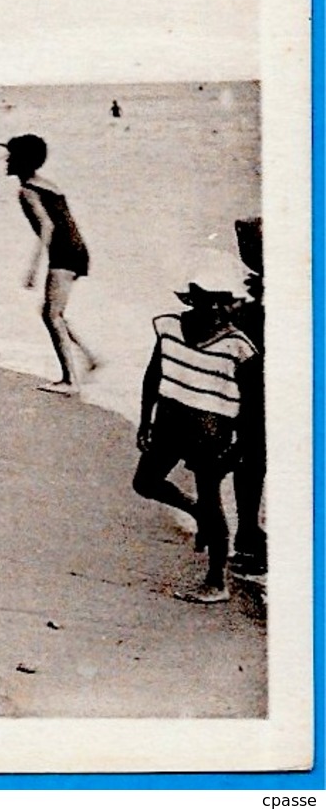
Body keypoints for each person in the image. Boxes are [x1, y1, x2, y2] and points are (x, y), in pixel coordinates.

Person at [132, 250, 257, 603]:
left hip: (211, 433)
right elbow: (153, 375)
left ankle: (217, 580)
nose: (215, 310)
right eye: (207, 300)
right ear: (191, 298)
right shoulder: (170, 328)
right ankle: (197, 512)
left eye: (223, 302)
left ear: (232, 303)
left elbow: (251, 410)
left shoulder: (239, 347)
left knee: (212, 499)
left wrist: (237, 451)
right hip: (169, 422)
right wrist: (145, 419)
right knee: (145, 482)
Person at [6, 134, 97, 394]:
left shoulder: (27, 191)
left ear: (21, 161)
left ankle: (70, 381)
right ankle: (89, 359)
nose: (6, 160)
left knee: (51, 314)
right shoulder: (48, 184)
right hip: (79, 250)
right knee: (53, 312)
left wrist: (33, 267)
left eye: (11, 156)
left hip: (64, 252)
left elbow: (47, 225)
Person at [230, 217, 266, 578]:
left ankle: (248, 536)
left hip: (255, 397)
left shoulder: (247, 311)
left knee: (250, 466)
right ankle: (249, 536)